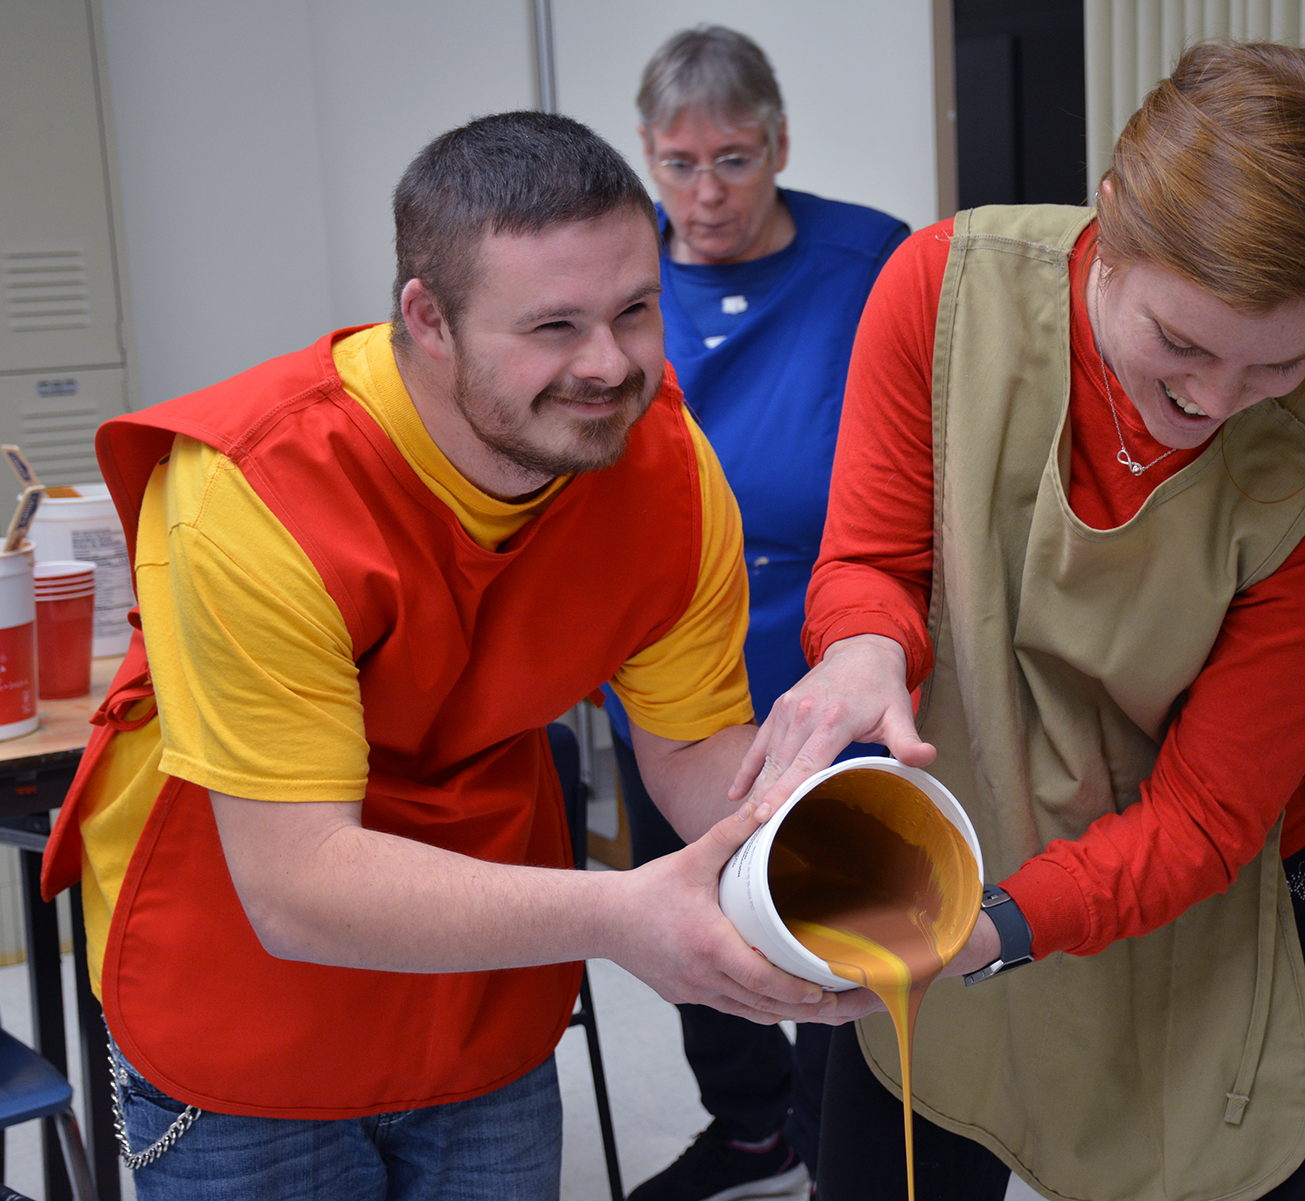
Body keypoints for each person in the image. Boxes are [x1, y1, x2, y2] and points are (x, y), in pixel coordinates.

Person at [37, 111, 878, 1201]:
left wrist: (828, 839)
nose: (611, 364)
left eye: (635, 309)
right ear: (427, 319)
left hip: (481, 971)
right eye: (555, 326)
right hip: (249, 987)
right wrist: (623, 915)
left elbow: (690, 744)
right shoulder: (253, 493)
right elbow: (294, 883)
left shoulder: (658, 466)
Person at [737, 42, 1305, 1201]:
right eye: (1180, 345)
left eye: (1277, 364)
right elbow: (873, 559)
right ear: (1110, 220)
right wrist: (862, 647)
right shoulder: (944, 294)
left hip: (1218, 910)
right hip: (963, 845)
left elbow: (1203, 820)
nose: (1209, 405)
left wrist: (988, 933)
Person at [598, 26, 909, 1201]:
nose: (705, 194)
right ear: (646, 156)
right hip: (664, 646)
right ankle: (748, 1127)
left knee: (826, 902)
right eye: (678, 164)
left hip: (829, 641)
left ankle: (840, 1149)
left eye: (733, 159)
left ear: (779, 144)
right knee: (688, 888)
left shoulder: (868, 260)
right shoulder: (626, 279)